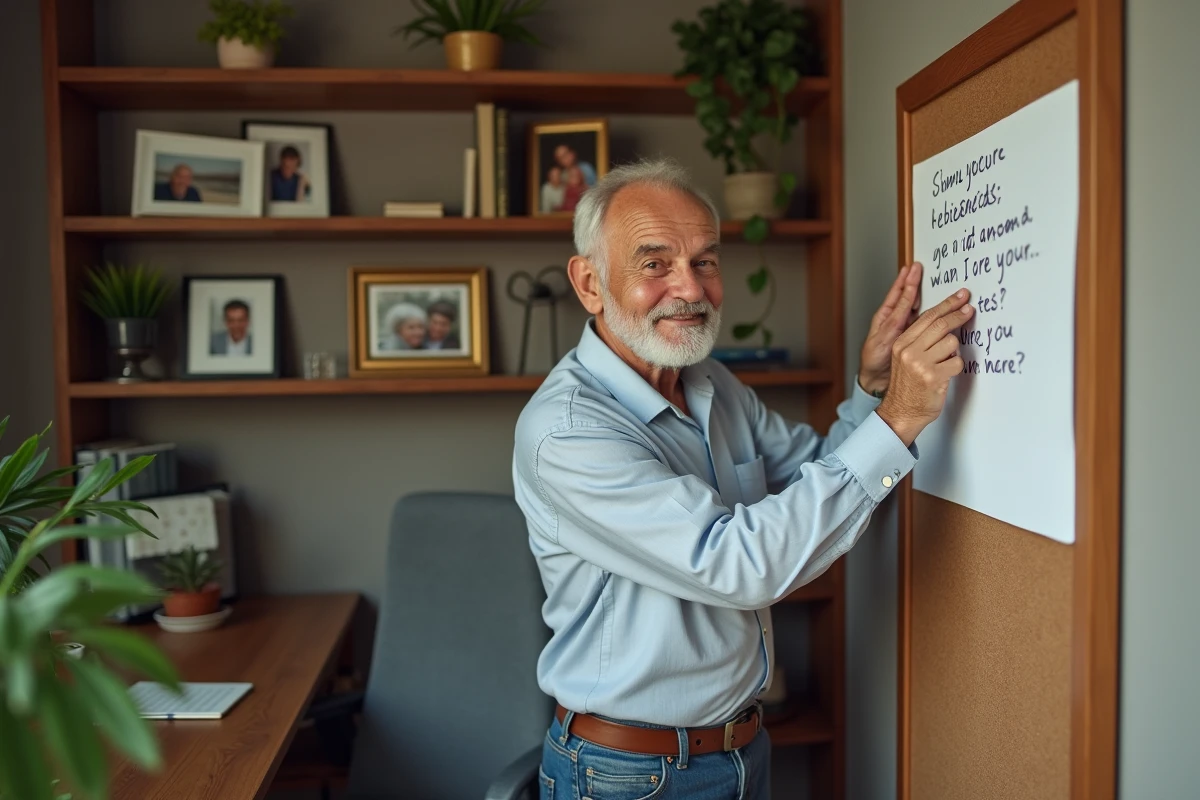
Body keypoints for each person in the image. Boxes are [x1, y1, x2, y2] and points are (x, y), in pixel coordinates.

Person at [512, 158, 973, 799]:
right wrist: (897, 422)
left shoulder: (711, 384)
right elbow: (739, 563)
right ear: (590, 283)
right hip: (627, 776)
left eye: (705, 260)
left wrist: (873, 392)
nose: (692, 288)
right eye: (655, 264)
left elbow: (819, 472)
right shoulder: (566, 433)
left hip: (743, 751)